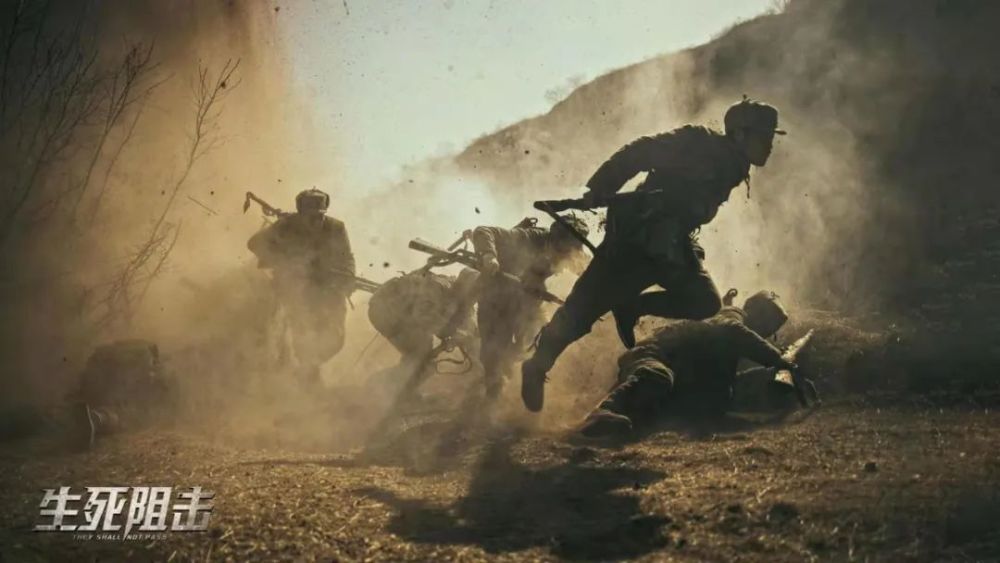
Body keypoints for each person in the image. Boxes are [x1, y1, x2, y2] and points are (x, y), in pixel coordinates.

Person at [521, 98, 787, 412]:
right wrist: (601, 187)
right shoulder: (698, 143)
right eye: (763, 136)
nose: (769, 145)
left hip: (672, 247)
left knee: (704, 301)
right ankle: (537, 366)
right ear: (740, 134)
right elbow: (642, 150)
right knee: (580, 313)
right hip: (632, 243)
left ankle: (632, 306)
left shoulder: (735, 166)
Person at [578, 291, 795, 438]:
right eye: (770, 324)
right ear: (758, 313)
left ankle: (617, 419)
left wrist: (770, 376)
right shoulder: (732, 316)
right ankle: (602, 411)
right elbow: (730, 330)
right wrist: (779, 359)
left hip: (667, 369)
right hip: (655, 355)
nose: (768, 333)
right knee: (657, 377)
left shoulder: (730, 345)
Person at [247, 188, 355, 388]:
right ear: (301, 214)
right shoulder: (286, 225)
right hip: (296, 288)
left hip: (328, 288)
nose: (315, 221)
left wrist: (347, 279)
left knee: (335, 338)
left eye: (319, 216)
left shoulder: (335, 227)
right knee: (301, 331)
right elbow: (254, 243)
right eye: (310, 216)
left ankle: (310, 366)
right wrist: (284, 261)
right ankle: (307, 374)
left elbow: (347, 257)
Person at [472, 215, 588, 399]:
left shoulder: (570, 252)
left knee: (541, 340)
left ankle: (520, 376)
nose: (565, 257)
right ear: (554, 240)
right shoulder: (528, 238)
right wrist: (489, 256)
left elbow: (588, 271)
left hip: (528, 303)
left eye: (570, 251)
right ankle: (494, 396)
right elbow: (483, 231)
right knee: (493, 352)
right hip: (495, 298)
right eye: (563, 250)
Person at [367, 268, 480, 392]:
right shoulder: (438, 288)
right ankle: (382, 388)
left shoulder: (460, 301)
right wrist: (453, 334)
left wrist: (471, 339)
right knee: (421, 356)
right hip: (384, 310)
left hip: (396, 314)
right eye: (474, 292)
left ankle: (397, 390)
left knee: (423, 360)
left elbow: (471, 332)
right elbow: (422, 315)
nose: (474, 298)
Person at [68, 339, 174, 449]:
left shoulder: (122, 356)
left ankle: (94, 420)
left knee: (118, 415)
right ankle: (94, 420)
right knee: (121, 416)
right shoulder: (145, 363)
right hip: (114, 399)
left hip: (109, 400)